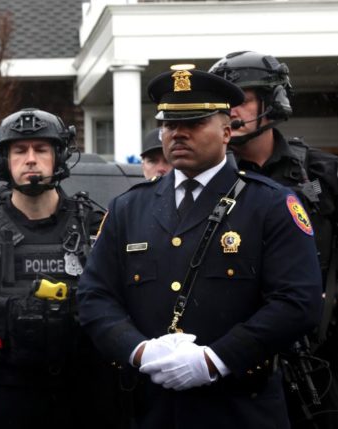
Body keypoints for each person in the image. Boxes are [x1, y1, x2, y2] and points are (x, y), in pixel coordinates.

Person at [77, 66, 323, 428]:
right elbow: (94, 296)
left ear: (226, 131)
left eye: (194, 123)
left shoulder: (269, 204)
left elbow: (298, 302)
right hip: (153, 408)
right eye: (169, 124)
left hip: (241, 407)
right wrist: (139, 350)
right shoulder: (129, 207)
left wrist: (216, 359)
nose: (178, 133)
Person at [210, 52, 338, 427]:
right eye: (223, 102)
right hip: (235, 356)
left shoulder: (321, 173)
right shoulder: (204, 179)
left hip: (321, 353)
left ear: (272, 100)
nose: (231, 111)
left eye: (242, 99)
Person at [0, 108, 113, 428]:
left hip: (83, 393)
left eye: (41, 149)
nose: (31, 159)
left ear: (59, 156)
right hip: (7, 395)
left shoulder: (95, 225)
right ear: (4, 161)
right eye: (19, 150)